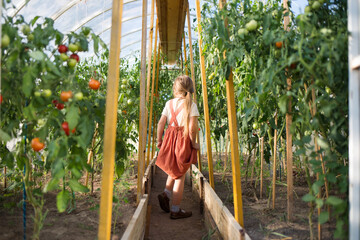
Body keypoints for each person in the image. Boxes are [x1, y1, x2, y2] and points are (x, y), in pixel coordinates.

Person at [156, 75, 200, 219]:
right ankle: (175, 210)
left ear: (175, 89)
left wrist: (159, 140)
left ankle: (166, 194)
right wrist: (193, 143)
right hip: (183, 141)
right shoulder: (191, 105)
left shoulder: (169, 104)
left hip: (169, 138)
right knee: (180, 175)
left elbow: (161, 123)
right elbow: (192, 127)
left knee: (173, 170)